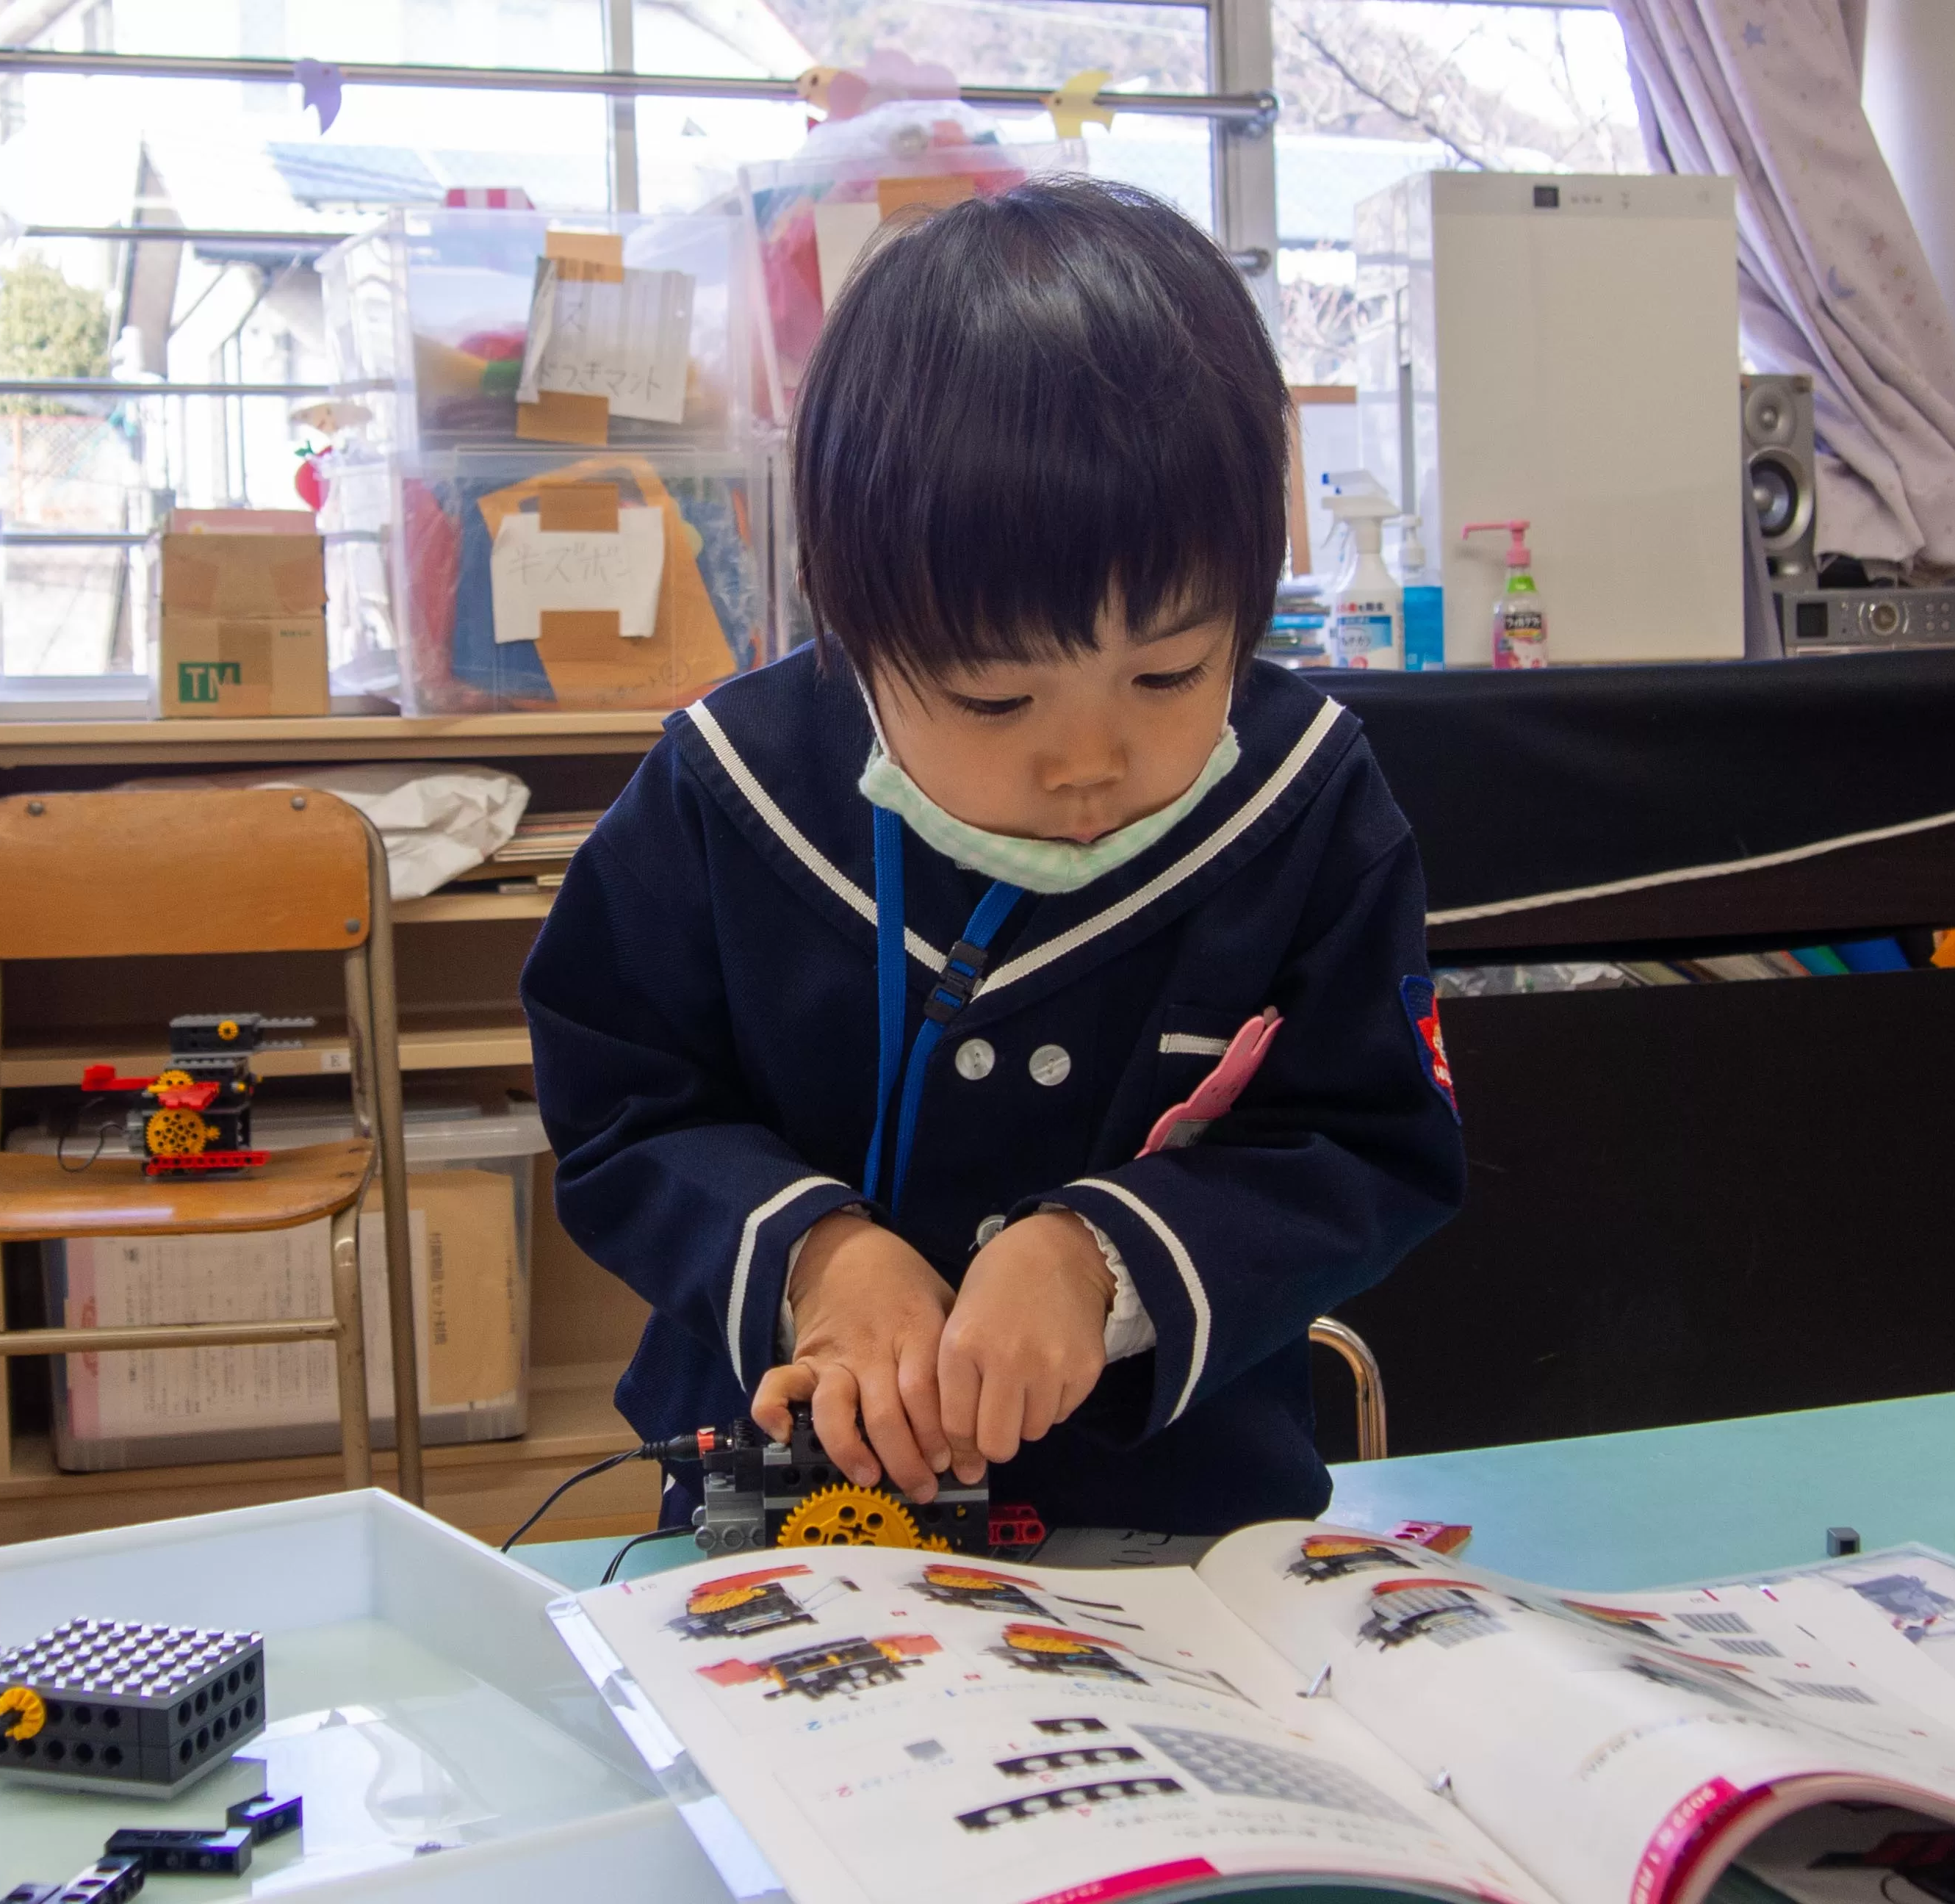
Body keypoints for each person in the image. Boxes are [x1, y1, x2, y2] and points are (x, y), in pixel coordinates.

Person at [522, 176, 1465, 1537]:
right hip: (797, 1515)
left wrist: (1102, 1257)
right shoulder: (727, 791)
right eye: (994, 699)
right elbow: (623, 1105)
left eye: (1168, 673)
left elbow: (1371, 1137)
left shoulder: (1305, 799)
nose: (1087, 762)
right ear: (857, 627)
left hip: (1179, 1523)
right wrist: (815, 1257)